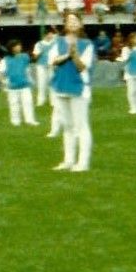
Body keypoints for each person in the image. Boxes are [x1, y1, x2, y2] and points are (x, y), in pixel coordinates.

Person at [48, 11, 95, 172]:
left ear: (81, 24)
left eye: (76, 20)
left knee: (81, 125)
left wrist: (75, 56)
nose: (73, 23)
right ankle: (68, 160)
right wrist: (68, 54)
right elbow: (53, 61)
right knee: (67, 125)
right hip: (61, 86)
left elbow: (82, 67)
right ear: (65, 24)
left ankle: (83, 162)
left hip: (79, 88)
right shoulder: (58, 41)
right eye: (69, 20)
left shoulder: (87, 44)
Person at [1, 38, 35, 126]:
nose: (19, 47)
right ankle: (15, 121)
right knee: (14, 103)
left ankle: (30, 120)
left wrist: (30, 79)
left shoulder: (25, 57)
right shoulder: (6, 59)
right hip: (12, 86)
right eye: (16, 46)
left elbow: (27, 69)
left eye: (19, 45)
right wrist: (4, 82)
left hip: (25, 84)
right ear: (12, 48)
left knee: (28, 102)